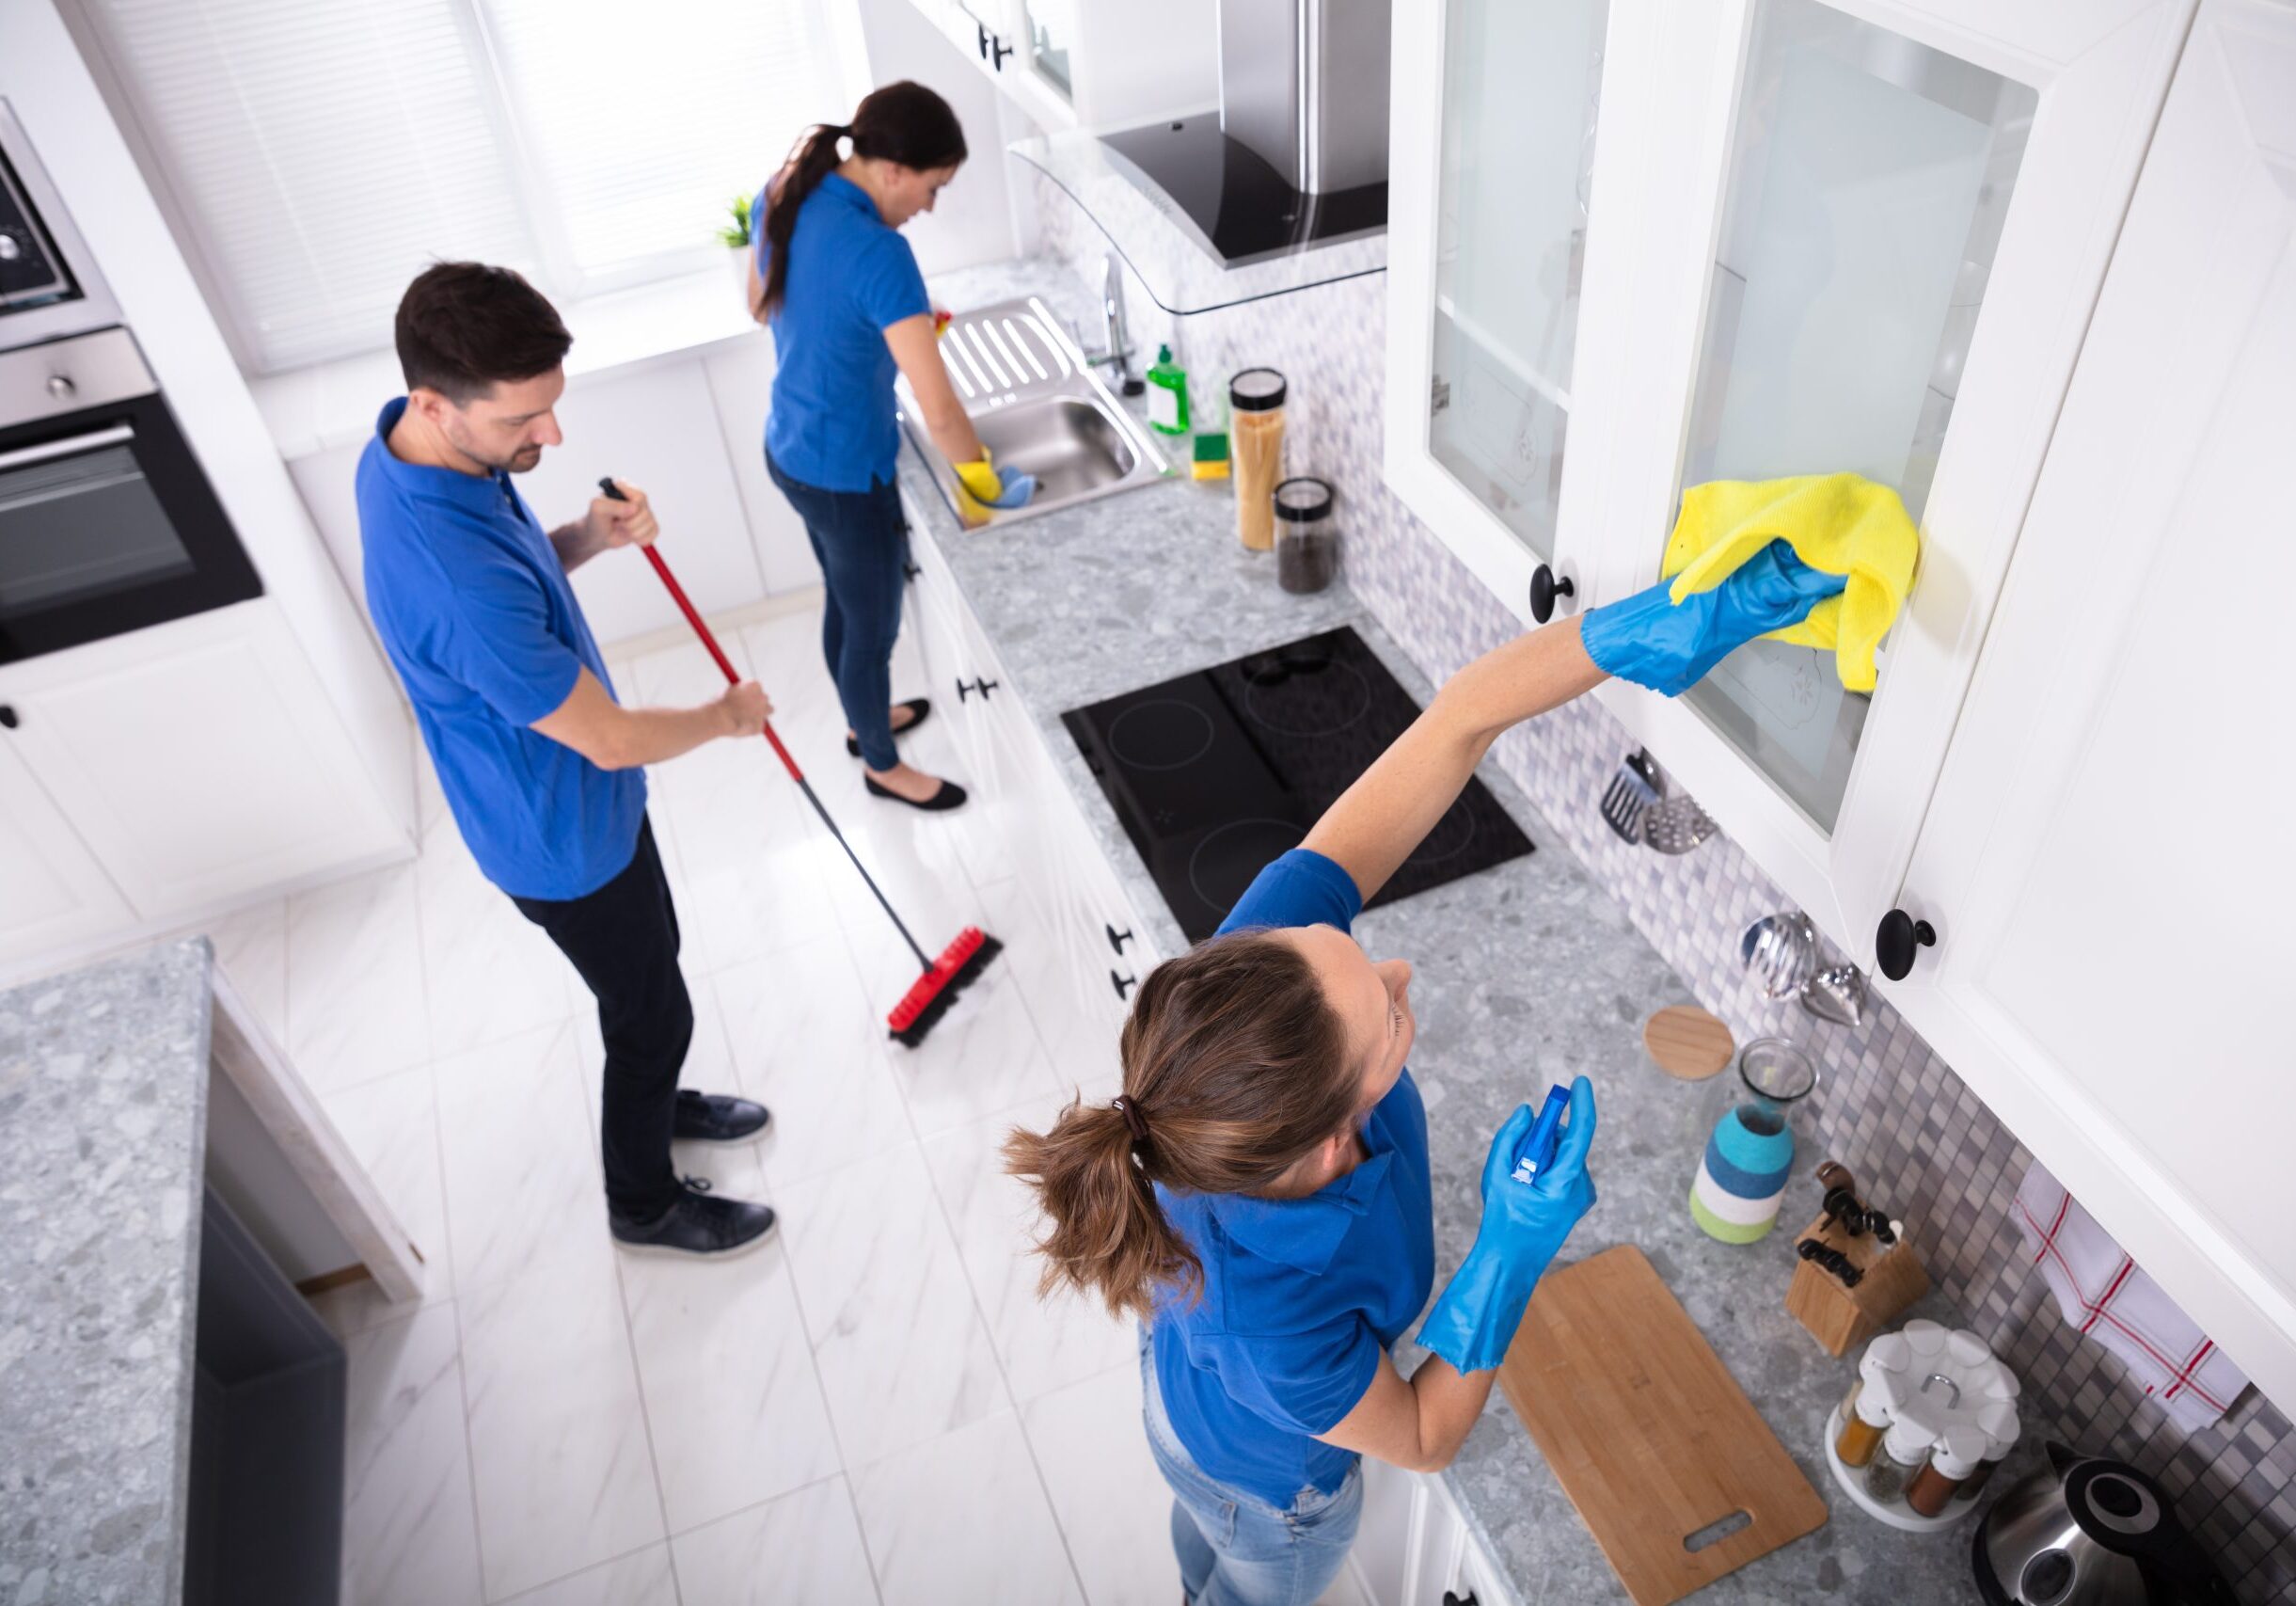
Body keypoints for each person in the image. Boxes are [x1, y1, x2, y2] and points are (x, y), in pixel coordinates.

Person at [1005, 548, 1846, 1605]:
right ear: (1326, 1139)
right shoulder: (1272, 1316)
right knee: (1237, 1571)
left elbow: (1456, 721)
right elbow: (1415, 1433)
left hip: (1192, 1390)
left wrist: (1631, 634)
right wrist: (1510, 1243)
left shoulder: (1248, 992)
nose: (1395, 969)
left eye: (1344, 948)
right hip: (1264, 1486)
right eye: (1388, 1014)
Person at [356, 262, 777, 1260]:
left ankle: (661, 1097)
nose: (550, 437)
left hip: (575, 806)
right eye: (525, 421)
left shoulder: (414, 452)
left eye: (551, 409)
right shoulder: (450, 577)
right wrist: (723, 715)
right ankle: (642, 1206)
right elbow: (609, 736)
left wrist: (587, 533)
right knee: (647, 1016)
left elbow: (517, 582)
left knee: (651, 976)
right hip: (560, 837)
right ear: (435, 402)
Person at [747, 80, 1035, 813]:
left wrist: (880, 325)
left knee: (844, 605)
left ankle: (857, 717)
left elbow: (761, 305)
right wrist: (983, 479)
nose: (930, 206)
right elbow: (939, 410)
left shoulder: (785, 192)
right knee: (870, 630)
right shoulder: (881, 253)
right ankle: (881, 762)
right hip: (846, 472)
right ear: (894, 170)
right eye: (933, 187)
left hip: (789, 447)